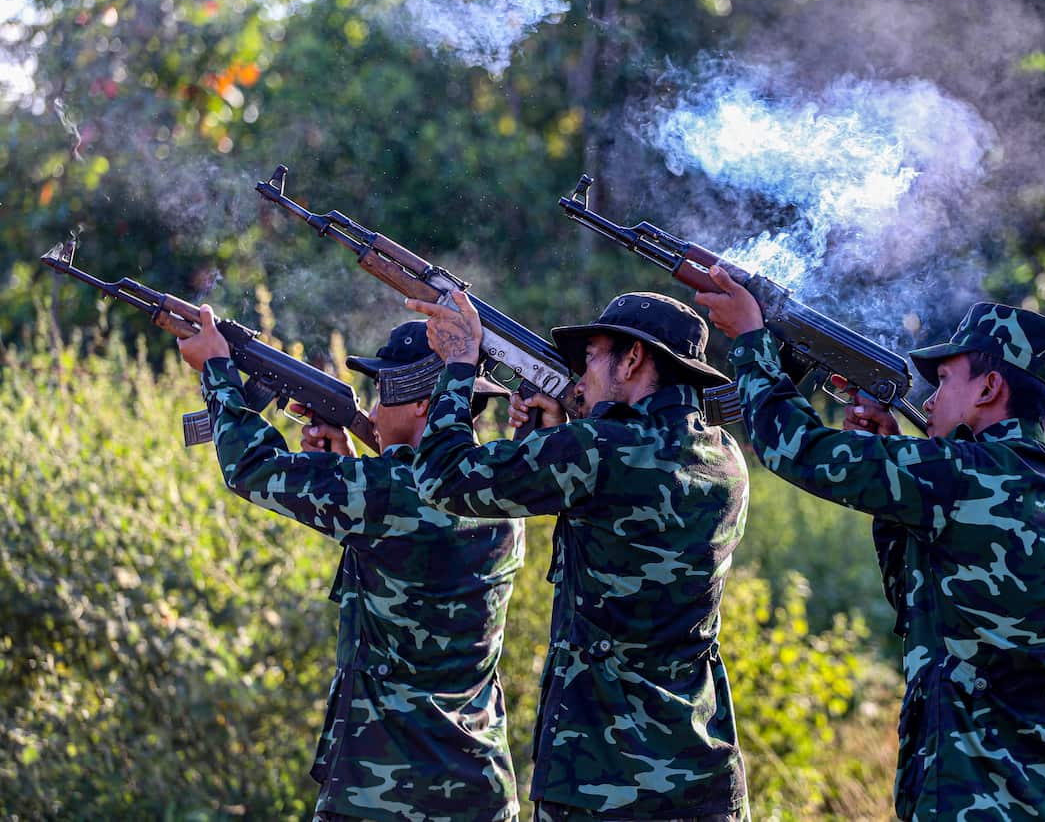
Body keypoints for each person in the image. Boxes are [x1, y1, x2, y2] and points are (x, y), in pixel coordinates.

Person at [694, 267, 1045, 821]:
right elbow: (925, 596)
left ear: (989, 389)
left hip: (982, 802)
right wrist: (894, 484)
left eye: (946, 382)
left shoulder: (959, 477)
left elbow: (793, 448)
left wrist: (751, 342)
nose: (933, 398)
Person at [403, 290, 751, 821]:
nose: (579, 375)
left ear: (632, 359)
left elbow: (441, 477)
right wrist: (563, 433)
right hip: (701, 776)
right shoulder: (724, 458)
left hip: (601, 781)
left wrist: (458, 364)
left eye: (589, 357)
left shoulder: (593, 451)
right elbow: (625, 488)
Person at [177, 309, 523, 822]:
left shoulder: (385, 494)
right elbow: (412, 511)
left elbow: (252, 468)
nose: (375, 412)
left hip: (384, 794)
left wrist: (217, 372)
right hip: (479, 788)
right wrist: (350, 462)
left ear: (423, 405)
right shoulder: (503, 498)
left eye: (385, 397)